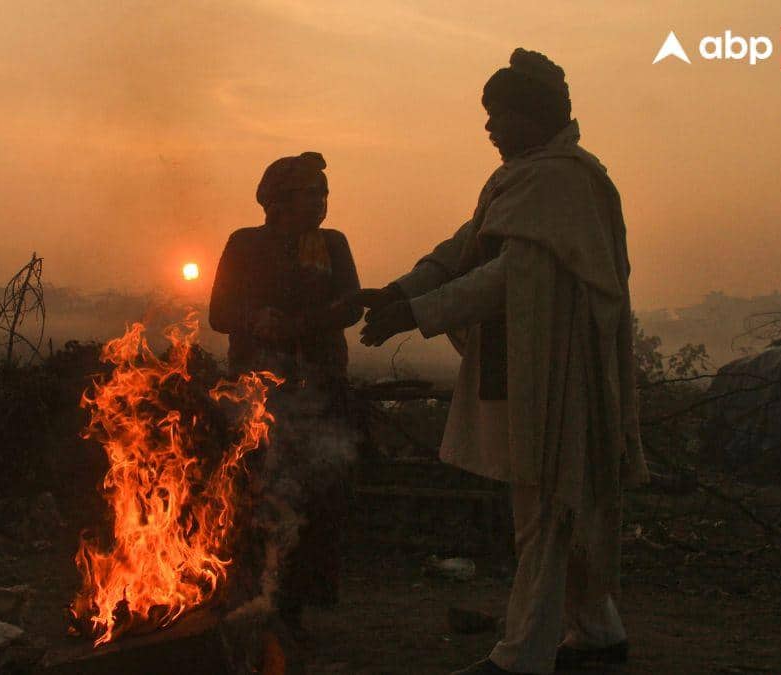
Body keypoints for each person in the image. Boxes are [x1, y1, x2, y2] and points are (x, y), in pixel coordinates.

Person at [355, 49, 649, 674]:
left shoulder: (566, 180)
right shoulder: (525, 176)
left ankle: (521, 658)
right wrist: (402, 290)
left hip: (560, 373)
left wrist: (419, 313)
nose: (489, 127)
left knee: (547, 510)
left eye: (498, 115)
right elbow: (464, 247)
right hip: (522, 363)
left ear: (532, 115)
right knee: (553, 507)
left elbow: (508, 274)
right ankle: (597, 634)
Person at [209, 151, 362, 634]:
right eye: (308, 194)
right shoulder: (244, 244)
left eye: (323, 193)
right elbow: (219, 313)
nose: (319, 203)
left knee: (318, 490)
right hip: (257, 392)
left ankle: (300, 598)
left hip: (320, 385)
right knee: (258, 489)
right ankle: (251, 592)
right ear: (275, 202)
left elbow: (350, 306)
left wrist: (299, 326)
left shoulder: (331, 245)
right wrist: (255, 321)